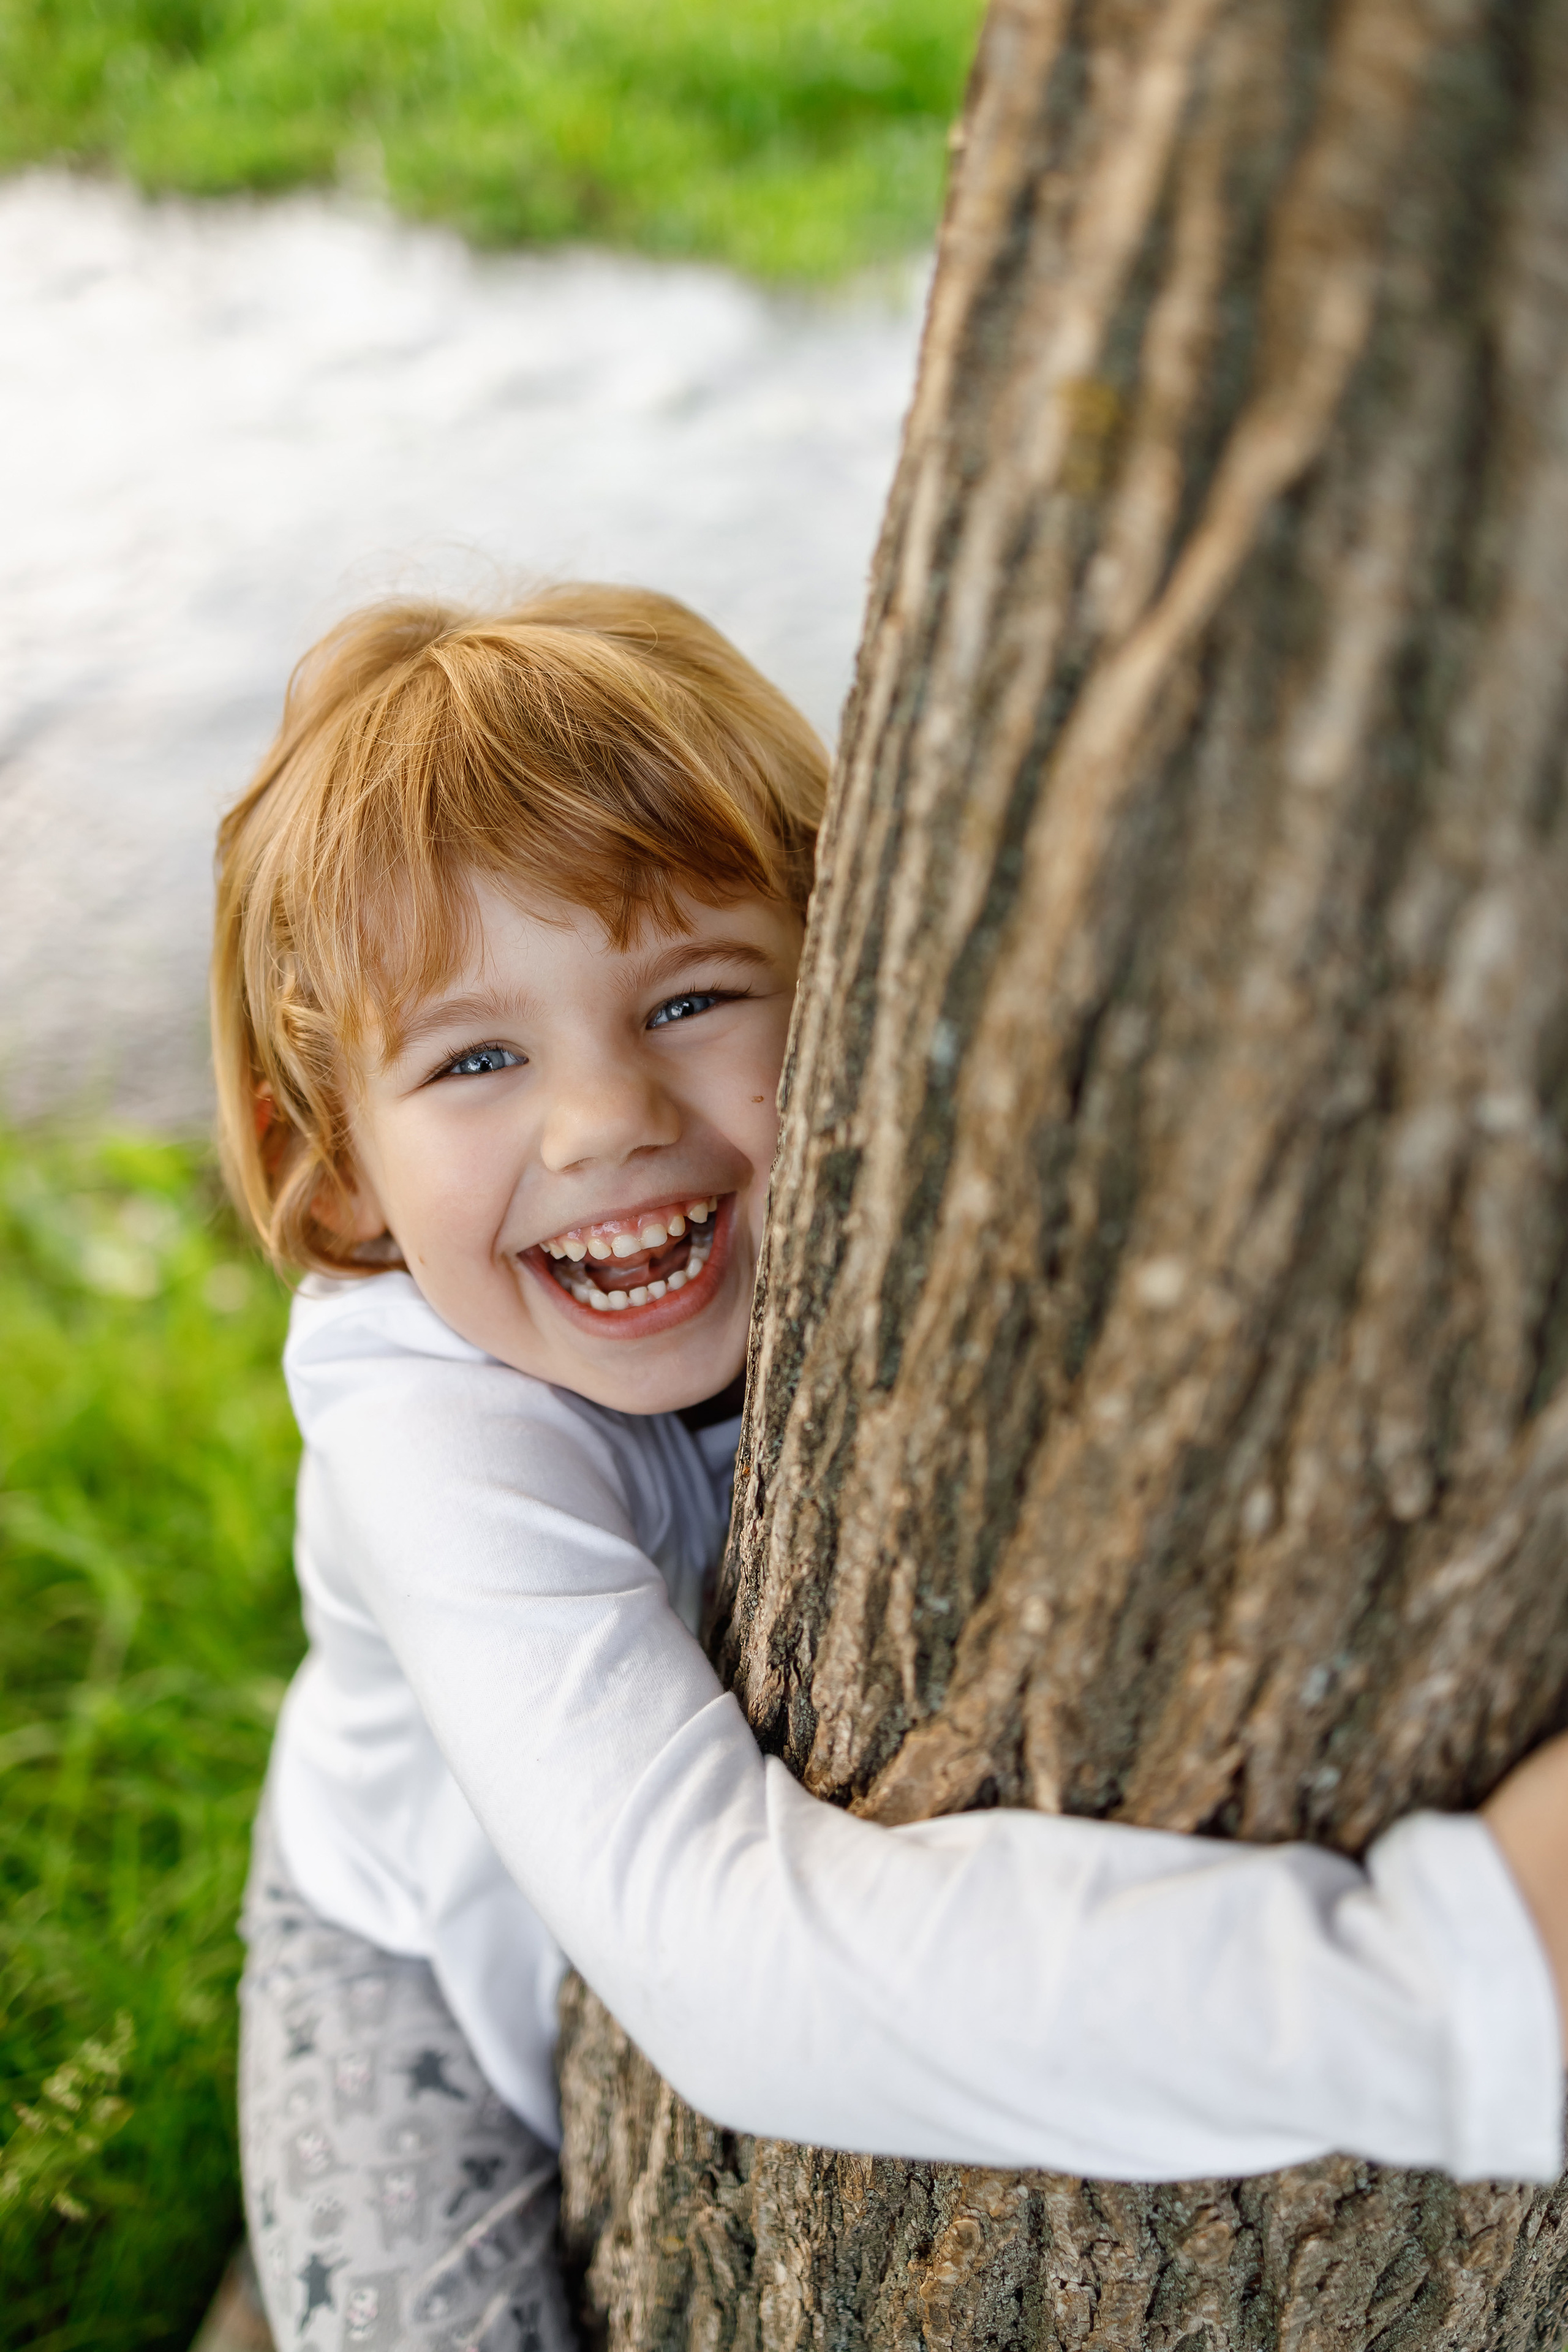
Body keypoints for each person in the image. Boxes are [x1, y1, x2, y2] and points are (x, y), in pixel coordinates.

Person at [213, 586, 1568, 2352]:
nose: (603, 1118)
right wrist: (1465, 1985)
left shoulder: (914, 1206)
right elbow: (723, 1969)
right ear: (335, 1177)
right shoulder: (421, 1416)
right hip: (410, 1921)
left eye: (693, 994)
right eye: (477, 1057)